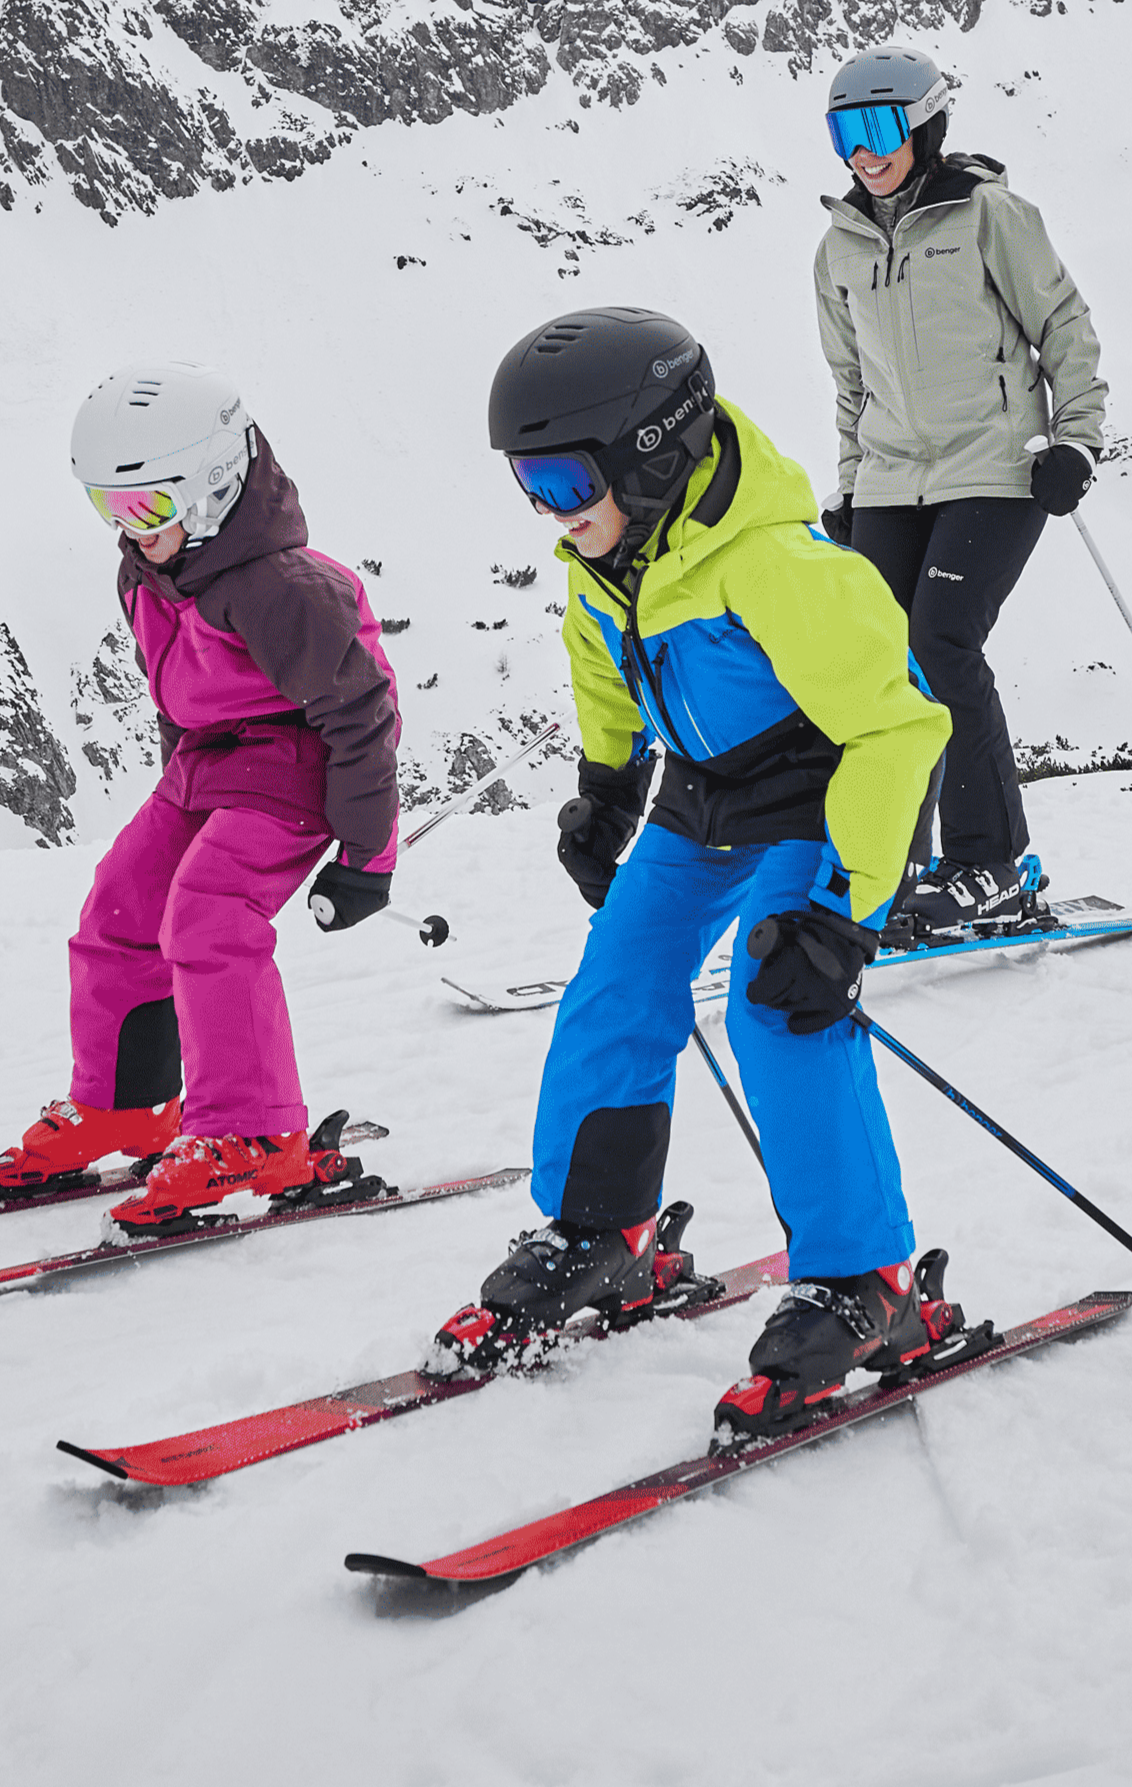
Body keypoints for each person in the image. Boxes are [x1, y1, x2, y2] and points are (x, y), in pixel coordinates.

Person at [478, 305, 952, 1430]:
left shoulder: (778, 564)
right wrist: (604, 789)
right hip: (696, 799)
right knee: (614, 990)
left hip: (815, 789)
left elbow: (900, 729)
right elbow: (602, 663)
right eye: (527, 484)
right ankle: (603, 1232)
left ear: (648, 451)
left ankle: (863, 1277)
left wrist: (843, 906)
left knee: (779, 1005)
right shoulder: (612, 554)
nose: (548, 510)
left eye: (559, 480)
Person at [0, 362, 401, 1231]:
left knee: (208, 915)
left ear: (212, 485)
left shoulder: (285, 587)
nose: (131, 531)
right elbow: (178, 699)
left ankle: (254, 1131)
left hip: (296, 767)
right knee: (120, 902)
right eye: (111, 510)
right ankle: (126, 1104)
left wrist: (368, 856)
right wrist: (177, 800)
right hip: (208, 766)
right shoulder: (145, 576)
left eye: (149, 508)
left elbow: (362, 717)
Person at [813, 46, 1108, 938]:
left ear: (925, 124)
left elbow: (1063, 325)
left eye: (878, 128)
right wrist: (852, 486)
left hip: (998, 467)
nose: (864, 152)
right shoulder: (839, 246)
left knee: (941, 641)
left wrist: (1076, 441)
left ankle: (991, 865)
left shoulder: (989, 216)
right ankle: (893, 863)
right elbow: (851, 382)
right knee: (878, 665)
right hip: (893, 480)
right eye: (844, 133)